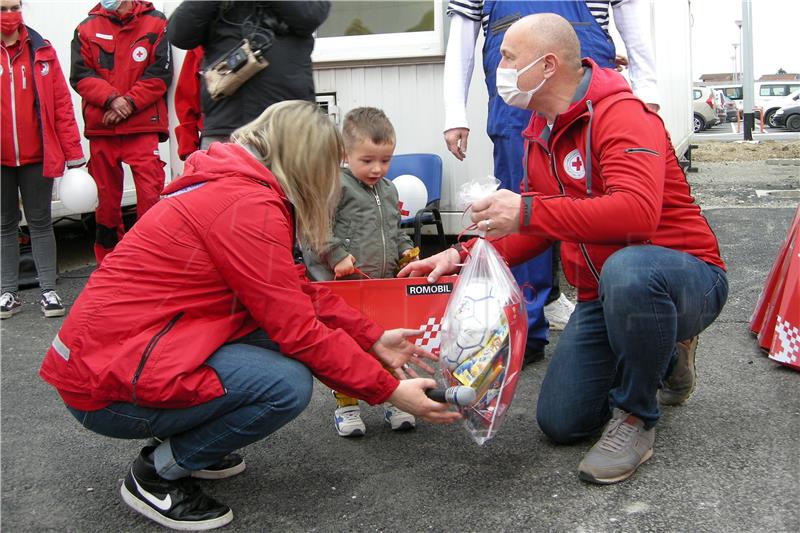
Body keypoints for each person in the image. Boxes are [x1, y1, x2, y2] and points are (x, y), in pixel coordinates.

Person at [39, 100, 460, 531]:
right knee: (285, 384)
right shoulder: (246, 207)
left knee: (279, 351)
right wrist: (389, 390)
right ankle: (157, 474)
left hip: (115, 355)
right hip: (103, 384)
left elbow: (297, 291)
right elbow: (299, 331)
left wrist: (372, 337)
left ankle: (195, 444)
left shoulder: (235, 185)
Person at [400, 14, 728, 485]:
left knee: (629, 269)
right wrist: (462, 254)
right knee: (561, 422)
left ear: (547, 65)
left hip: (686, 280)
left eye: (508, 57)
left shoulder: (623, 115)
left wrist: (529, 211)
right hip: (603, 297)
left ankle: (637, 416)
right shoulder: (540, 130)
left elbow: (637, 214)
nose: (499, 67)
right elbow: (535, 227)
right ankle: (664, 353)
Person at [442, 0, 661, 359]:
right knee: (520, 212)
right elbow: (462, 32)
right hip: (517, 104)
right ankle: (524, 326)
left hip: (587, 84)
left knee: (602, 208)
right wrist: (455, 111)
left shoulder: (620, 116)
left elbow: (629, 12)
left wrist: (647, 89)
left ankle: (619, 316)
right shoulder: (516, 83)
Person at [304, 107, 422, 437]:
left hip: (382, 285)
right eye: (367, 160)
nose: (377, 168)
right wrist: (336, 254)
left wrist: (405, 251)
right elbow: (316, 226)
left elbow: (395, 228)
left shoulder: (388, 190)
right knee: (350, 349)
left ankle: (394, 400)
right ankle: (347, 405)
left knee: (389, 342)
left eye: (385, 160)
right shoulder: (334, 186)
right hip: (347, 287)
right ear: (345, 154)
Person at [0, 0, 85, 319]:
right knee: (4, 225)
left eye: (13, 7)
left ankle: (48, 289)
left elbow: (62, 104)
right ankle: (7, 292)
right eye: (3, 8)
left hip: (38, 156)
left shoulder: (41, 50)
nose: (9, 15)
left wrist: (74, 154)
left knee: (40, 222)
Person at [70, 0, 172, 265]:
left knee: (151, 199)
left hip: (142, 126)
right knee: (105, 206)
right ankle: (108, 265)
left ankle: (151, 264)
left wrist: (128, 103)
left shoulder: (157, 22)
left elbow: (160, 74)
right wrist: (113, 99)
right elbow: (80, 75)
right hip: (103, 128)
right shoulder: (85, 28)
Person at [167, 1, 330, 148]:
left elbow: (310, 16)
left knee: (291, 182)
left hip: (289, 124)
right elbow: (179, 35)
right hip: (227, 124)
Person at [173, 46, 204, 161]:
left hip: (258, 137)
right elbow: (186, 100)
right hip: (215, 135)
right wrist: (188, 149)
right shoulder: (201, 44)